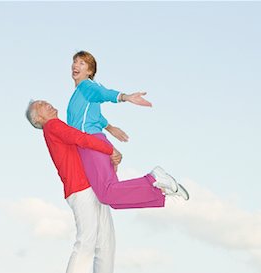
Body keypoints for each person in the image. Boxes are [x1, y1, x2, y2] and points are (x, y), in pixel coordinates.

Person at [25, 100, 185, 273]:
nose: (47, 103)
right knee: (87, 238)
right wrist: (110, 150)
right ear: (39, 118)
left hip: (90, 186)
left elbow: (85, 150)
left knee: (106, 241)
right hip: (80, 188)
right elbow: (80, 138)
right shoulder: (52, 126)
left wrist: (107, 158)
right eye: (42, 105)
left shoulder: (57, 127)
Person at [67, 50, 189, 209]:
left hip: (90, 143)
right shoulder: (81, 93)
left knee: (107, 193)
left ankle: (153, 179)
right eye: (75, 61)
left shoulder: (87, 86)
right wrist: (110, 128)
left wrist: (125, 97)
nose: (76, 65)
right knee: (113, 199)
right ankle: (160, 189)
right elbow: (94, 115)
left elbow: (104, 93)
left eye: (81, 63)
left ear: (90, 71)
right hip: (93, 142)